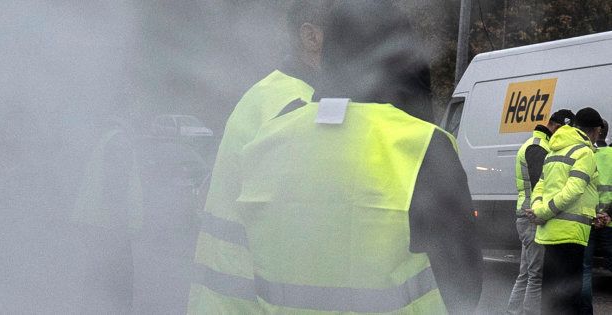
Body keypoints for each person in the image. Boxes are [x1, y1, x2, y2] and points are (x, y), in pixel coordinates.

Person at [231, 1, 482, 314]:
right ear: (405, 57)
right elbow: (465, 286)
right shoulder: (422, 145)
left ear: (329, 54)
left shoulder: (269, 136)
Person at [187, 1, 335, 313]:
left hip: (225, 300)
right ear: (311, 37)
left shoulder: (269, 93)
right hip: (251, 303)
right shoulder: (298, 106)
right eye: (347, 32)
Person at [527, 107, 605, 315]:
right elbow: (573, 189)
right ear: (596, 131)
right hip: (571, 235)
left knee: (550, 296)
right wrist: (544, 212)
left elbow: (540, 187)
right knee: (569, 300)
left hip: (550, 233)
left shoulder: (554, 150)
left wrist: (538, 210)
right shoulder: (584, 152)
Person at [71, 115, 143, 314]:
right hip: (111, 228)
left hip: (98, 226)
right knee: (117, 291)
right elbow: (116, 186)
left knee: (96, 284)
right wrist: (122, 226)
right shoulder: (120, 142)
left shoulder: (106, 140)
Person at [507, 109, 575, 315]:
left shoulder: (538, 144)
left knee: (526, 273)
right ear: (554, 125)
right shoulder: (538, 148)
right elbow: (541, 186)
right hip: (531, 217)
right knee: (535, 275)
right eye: (563, 130)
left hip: (526, 215)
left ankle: (512, 311)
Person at [581, 119, 612, 315]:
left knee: (585, 269)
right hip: (609, 220)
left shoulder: (585, 155)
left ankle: (585, 312)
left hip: (588, 220)